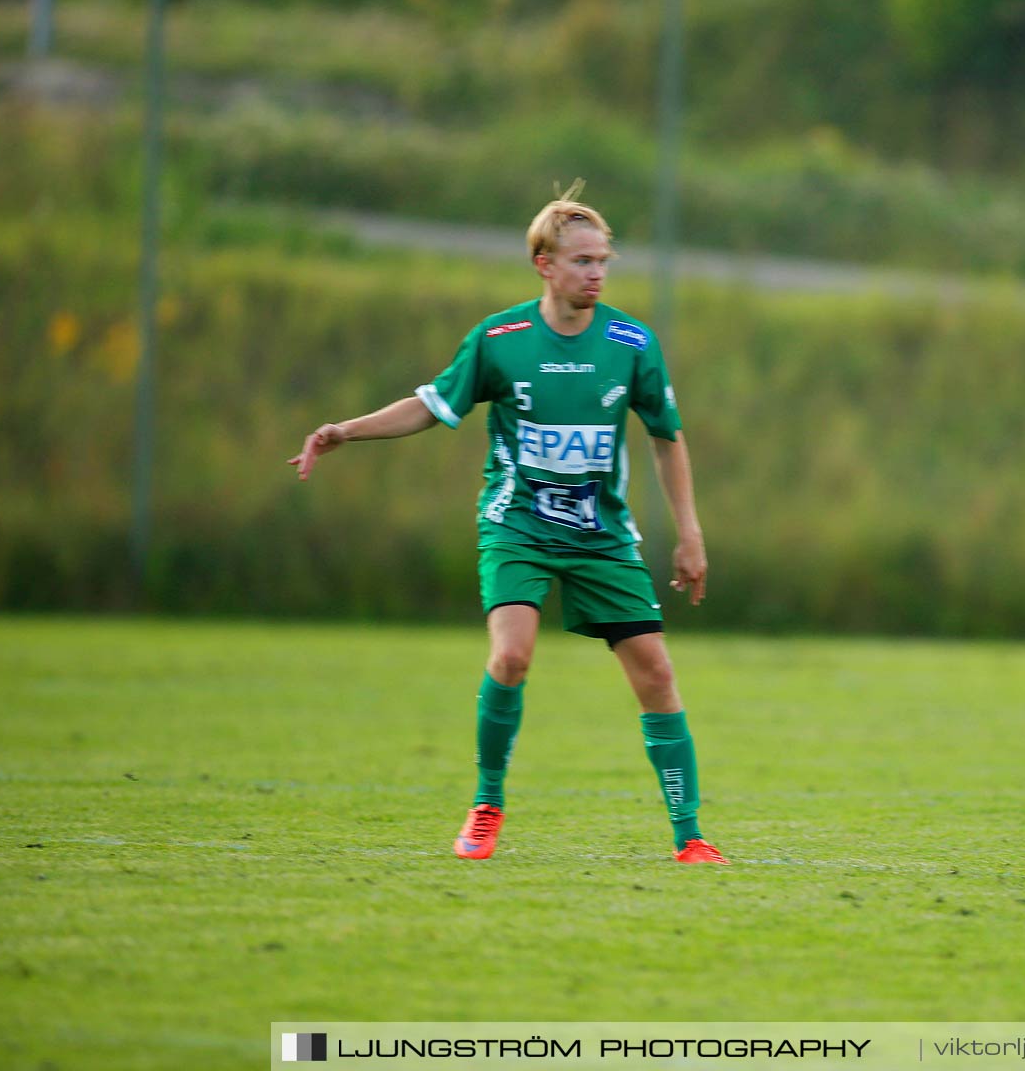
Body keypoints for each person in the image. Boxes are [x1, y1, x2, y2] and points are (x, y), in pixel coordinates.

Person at [288, 187, 727, 865]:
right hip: (516, 524)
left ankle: (690, 836)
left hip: (601, 534)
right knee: (512, 655)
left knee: (657, 673)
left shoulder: (633, 343)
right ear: (543, 264)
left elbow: (668, 438)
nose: (596, 274)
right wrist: (345, 431)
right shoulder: (500, 341)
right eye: (582, 261)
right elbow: (431, 405)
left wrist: (690, 532)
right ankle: (487, 804)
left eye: (603, 261)